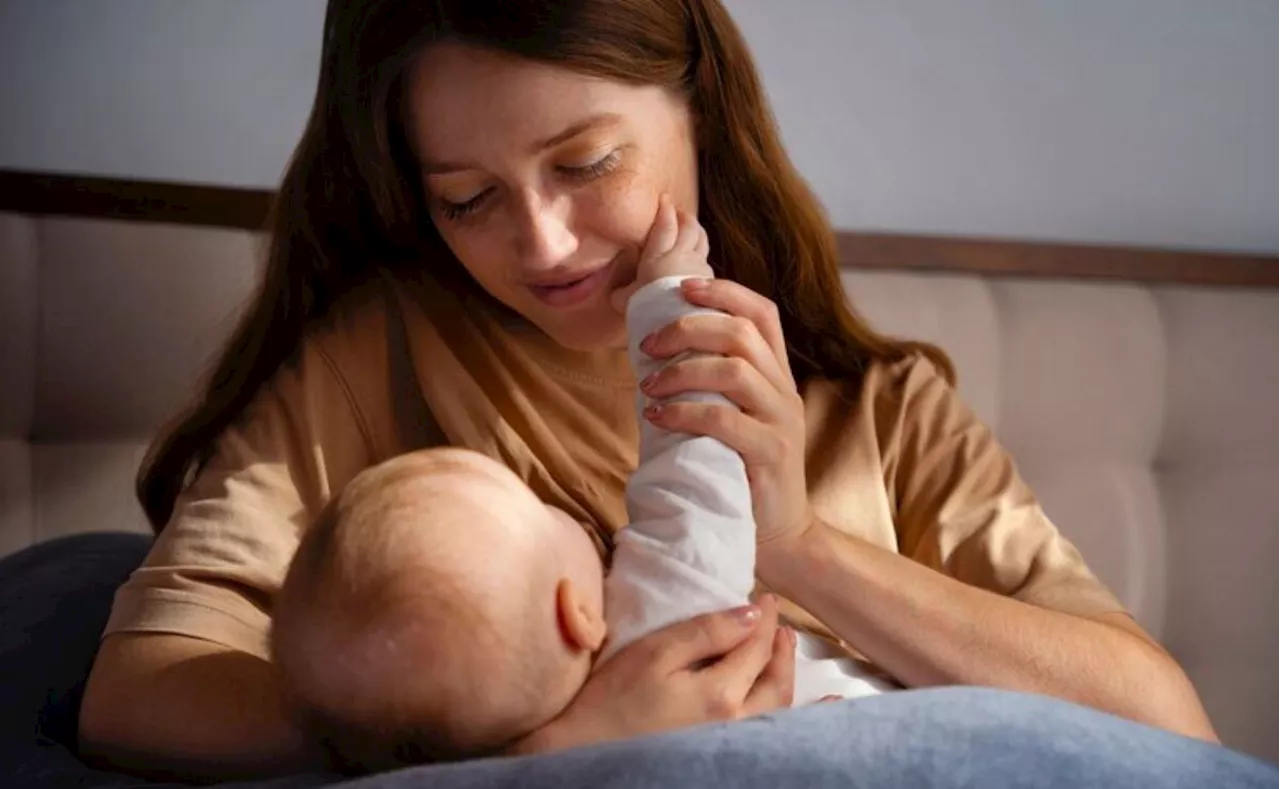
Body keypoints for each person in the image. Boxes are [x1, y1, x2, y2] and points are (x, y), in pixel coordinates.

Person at [78, 0, 1222, 782]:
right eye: (466, 198)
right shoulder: (375, 358)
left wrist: (798, 544)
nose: (542, 243)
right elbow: (138, 693)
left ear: (700, 120)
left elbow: (1163, 731)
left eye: (584, 165)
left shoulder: (883, 407)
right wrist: (549, 733)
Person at [270, 202, 892, 773]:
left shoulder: (496, 739)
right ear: (579, 615)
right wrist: (671, 298)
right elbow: (694, 465)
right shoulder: (658, 623)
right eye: (535, 509)